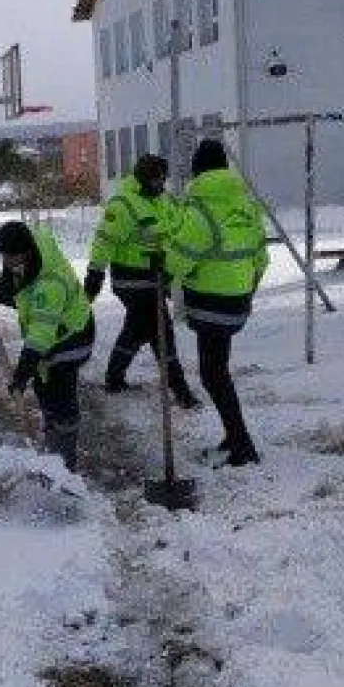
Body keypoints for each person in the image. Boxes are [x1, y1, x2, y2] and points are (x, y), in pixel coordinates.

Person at [161, 138, 269, 466]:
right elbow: (261, 259)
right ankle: (235, 439)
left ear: (197, 170)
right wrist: (245, 293)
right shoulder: (247, 207)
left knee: (213, 375)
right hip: (237, 305)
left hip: (208, 305)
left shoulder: (199, 210)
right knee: (217, 370)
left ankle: (242, 446)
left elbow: (179, 261)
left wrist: (165, 274)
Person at [84, 152, 200, 409]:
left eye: (162, 179)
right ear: (142, 177)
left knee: (136, 329)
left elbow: (177, 230)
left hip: (159, 277)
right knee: (161, 331)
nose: (160, 184)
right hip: (132, 280)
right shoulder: (123, 205)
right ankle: (181, 391)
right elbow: (104, 241)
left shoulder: (165, 201)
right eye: (155, 179)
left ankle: (114, 378)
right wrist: (95, 273)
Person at [0, 220, 96, 472]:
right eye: (5, 258)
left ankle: (64, 465)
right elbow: (9, 279)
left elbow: (39, 338)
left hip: (72, 336)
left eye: (14, 259)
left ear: (28, 251)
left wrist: (21, 375)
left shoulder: (49, 284)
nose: (9, 264)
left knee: (59, 392)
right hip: (52, 333)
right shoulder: (27, 250)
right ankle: (53, 434)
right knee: (44, 389)